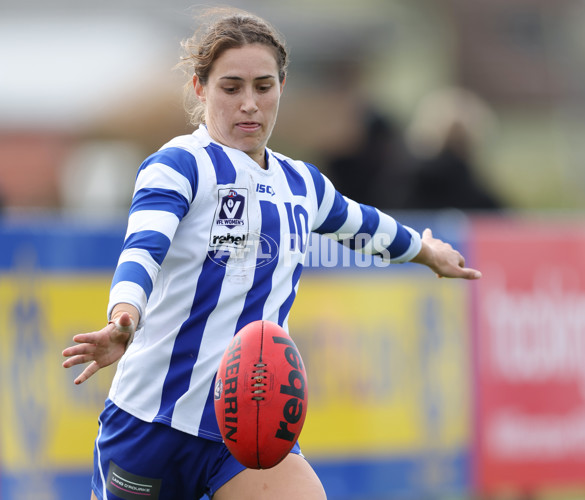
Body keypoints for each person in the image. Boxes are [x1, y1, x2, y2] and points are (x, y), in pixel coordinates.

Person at [62, 9, 481, 500]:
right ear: (200, 89)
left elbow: (363, 226)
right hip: (149, 424)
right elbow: (142, 250)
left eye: (263, 86)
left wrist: (425, 250)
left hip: (242, 429)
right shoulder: (179, 165)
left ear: (283, 85)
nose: (249, 104)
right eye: (231, 87)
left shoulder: (301, 183)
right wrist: (124, 315)